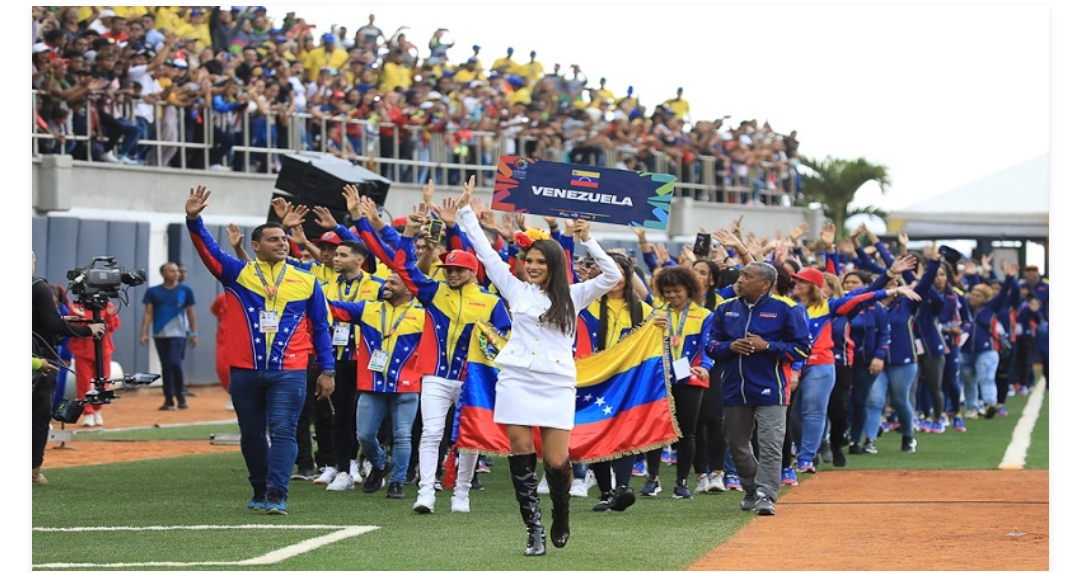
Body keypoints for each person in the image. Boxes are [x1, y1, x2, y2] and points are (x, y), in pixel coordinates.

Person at [454, 175, 621, 556]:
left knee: (556, 460)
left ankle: (561, 512)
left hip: (556, 382)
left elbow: (613, 275)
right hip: (515, 379)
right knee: (520, 454)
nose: (531, 266)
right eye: (528, 260)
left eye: (540, 262)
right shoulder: (514, 288)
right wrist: (466, 212)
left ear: (554, 265)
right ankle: (534, 530)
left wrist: (588, 239)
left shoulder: (575, 295)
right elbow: (486, 254)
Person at [348, 184, 511, 516]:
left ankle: (461, 492)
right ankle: (425, 492)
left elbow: (503, 339)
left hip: (472, 378)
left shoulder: (491, 301)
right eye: (448, 269)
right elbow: (404, 268)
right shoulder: (433, 291)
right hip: (435, 375)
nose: (452, 273)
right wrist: (409, 234)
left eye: (459, 269)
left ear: (473, 272)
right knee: (432, 433)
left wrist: (494, 367)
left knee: (468, 438)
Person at [184, 184, 335, 515]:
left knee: (283, 430)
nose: (282, 243)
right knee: (251, 434)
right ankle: (259, 486)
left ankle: (278, 493)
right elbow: (209, 251)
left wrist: (327, 369)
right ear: (256, 246)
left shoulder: (307, 280)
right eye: (273, 239)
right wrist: (194, 220)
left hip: (290, 370)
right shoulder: (238, 273)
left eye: (283, 239)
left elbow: (322, 328)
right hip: (245, 370)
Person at [706, 262, 811, 517]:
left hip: (772, 388)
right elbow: (710, 346)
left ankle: (766, 494)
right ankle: (751, 488)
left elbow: (802, 349)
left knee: (771, 443)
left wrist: (769, 346)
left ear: (765, 284)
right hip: (735, 387)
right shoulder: (725, 308)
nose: (740, 280)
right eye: (741, 275)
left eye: (747, 276)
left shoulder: (787, 309)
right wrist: (730, 347)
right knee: (736, 443)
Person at [328, 272, 425, 500]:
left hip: (406, 385)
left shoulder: (423, 316)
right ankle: (380, 464)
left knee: (403, 436)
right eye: (386, 281)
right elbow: (331, 308)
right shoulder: (367, 308)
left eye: (392, 283)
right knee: (364, 435)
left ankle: (397, 483)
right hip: (372, 384)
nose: (385, 286)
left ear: (409, 290)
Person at [579, 252, 652, 512]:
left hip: (627, 382)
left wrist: (660, 327)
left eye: (622, 272)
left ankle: (622, 488)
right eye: (610, 271)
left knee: (625, 432)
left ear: (629, 276)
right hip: (594, 380)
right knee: (596, 432)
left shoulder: (643, 310)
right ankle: (605, 492)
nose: (617, 278)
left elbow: (653, 344)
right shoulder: (586, 305)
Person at [640, 266, 714, 500]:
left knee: (687, 432)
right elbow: (644, 344)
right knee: (656, 430)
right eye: (667, 291)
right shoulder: (656, 313)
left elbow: (708, 346)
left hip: (690, 378)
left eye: (677, 291)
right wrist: (653, 330)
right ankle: (652, 479)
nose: (672, 295)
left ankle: (682, 483)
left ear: (689, 290)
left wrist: (706, 367)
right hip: (659, 379)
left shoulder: (704, 315)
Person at [33, 251, 106, 486]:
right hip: (39, 361)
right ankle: (32, 471)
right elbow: (52, 324)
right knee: (38, 416)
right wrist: (88, 330)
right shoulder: (38, 287)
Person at [140, 262, 198, 410]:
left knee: (175, 363)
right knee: (165, 366)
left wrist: (194, 333)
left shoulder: (185, 290)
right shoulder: (153, 291)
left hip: (179, 333)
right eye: (172, 271)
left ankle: (180, 396)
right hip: (160, 334)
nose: (176, 274)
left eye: (177, 271)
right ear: (163, 273)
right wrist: (144, 333)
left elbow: (190, 312)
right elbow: (148, 313)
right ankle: (168, 400)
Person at [68, 299, 121, 427]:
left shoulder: (106, 305)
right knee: (83, 383)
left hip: (103, 351)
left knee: (102, 383)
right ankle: (88, 413)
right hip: (83, 351)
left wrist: (109, 316)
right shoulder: (77, 306)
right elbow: (71, 328)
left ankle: (97, 410)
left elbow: (113, 326)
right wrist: (78, 317)